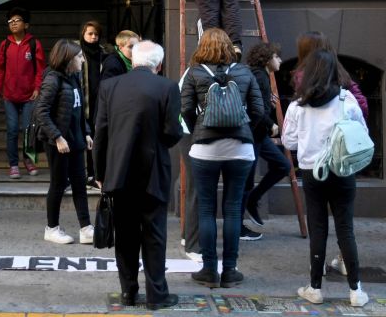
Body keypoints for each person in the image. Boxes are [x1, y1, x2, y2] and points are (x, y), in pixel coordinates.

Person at [95, 41, 183, 310]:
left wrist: (100, 173)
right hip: (153, 171)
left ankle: (128, 292)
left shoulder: (109, 87)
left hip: (118, 172)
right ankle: (157, 295)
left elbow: (101, 133)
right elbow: (173, 132)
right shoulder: (167, 87)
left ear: (133, 60)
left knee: (126, 234)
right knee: (154, 234)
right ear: (158, 64)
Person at [281, 49, 369, 308]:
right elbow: (361, 133)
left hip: (312, 172)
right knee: (346, 229)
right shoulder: (346, 99)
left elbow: (289, 141)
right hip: (343, 170)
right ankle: (355, 290)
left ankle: (315, 287)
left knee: (317, 228)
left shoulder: (298, 105)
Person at [179, 28, 263, 288]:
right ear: (229, 47)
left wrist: (199, 130)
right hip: (240, 149)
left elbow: (185, 110)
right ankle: (230, 271)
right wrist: (245, 127)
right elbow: (260, 110)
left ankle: (208, 270)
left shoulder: (194, 73)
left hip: (205, 149)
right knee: (232, 209)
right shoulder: (245, 72)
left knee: (206, 209)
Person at [34, 40, 93, 244]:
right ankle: (51, 228)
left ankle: (86, 228)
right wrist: (57, 137)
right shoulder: (52, 80)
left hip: (75, 141)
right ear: (68, 59)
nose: (83, 60)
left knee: (79, 185)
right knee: (58, 185)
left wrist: (86, 132)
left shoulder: (74, 77)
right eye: (79, 57)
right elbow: (41, 112)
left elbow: (78, 110)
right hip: (58, 143)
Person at [241, 41, 290, 236]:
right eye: (277, 56)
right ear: (268, 58)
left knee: (282, 166)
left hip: (258, 136)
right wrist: (272, 124)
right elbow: (256, 110)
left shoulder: (258, 74)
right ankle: (238, 228)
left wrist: (267, 103)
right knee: (245, 181)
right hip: (254, 135)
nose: (280, 60)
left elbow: (256, 103)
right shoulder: (260, 75)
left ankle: (253, 199)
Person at [0, 7, 45, 179]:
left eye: (17, 20)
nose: (13, 23)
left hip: (29, 96)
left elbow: (40, 70)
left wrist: (38, 88)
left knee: (29, 129)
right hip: (9, 96)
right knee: (13, 130)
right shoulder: (4, 44)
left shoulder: (34, 43)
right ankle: (13, 164)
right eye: (10, 21)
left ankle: (28, 161)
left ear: (26, 24)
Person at [79, 20, 106, 187]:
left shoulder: (103, 52)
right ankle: (83, 174)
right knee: (83, 138)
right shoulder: (77, 53)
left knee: (96, 139)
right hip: (83, 101)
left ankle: (94, 174)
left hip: (99, 101)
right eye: (90, 33)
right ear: (83, 34)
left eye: (96, 34)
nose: (93, 37)